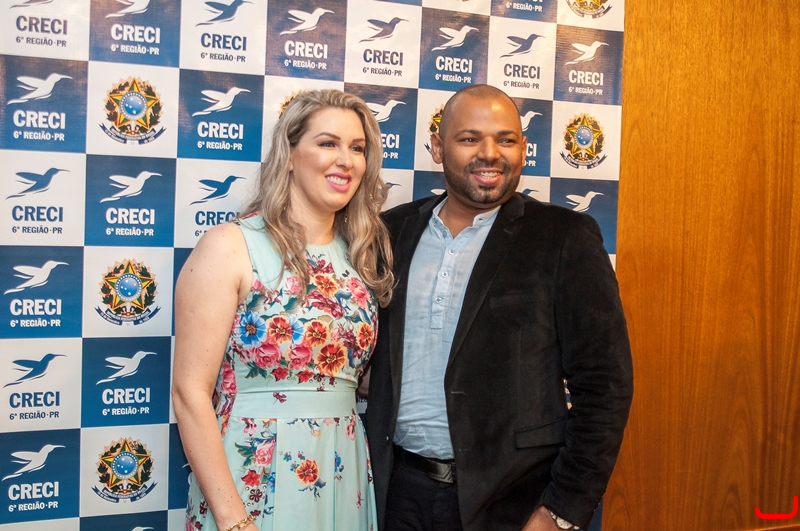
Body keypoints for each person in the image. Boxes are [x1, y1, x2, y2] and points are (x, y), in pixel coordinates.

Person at [365, 84, 633, 531]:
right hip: (397, 496)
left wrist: (562, 511)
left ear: (523, 149)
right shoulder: (391, 233)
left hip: (516, 505)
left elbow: (605, 386)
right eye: (470, 138)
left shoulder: (564, 237)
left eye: (506, 139)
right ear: (437, 147)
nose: (490, 153)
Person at [172, 89, 393, 531]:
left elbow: (355, 376)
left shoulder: (360, 256)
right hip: (252, 475)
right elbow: (189, 393)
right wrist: (234, 521)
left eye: (357, 148)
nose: (345, 160)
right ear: (290, 154)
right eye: (327, 143)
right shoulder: (231, 246)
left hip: (343, 470)